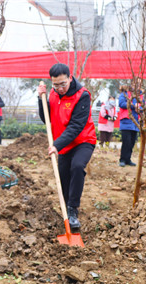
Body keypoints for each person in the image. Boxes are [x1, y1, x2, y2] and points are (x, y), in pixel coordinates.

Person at [37, 63, 97, 229]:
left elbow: (76, 126)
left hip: (83, 140)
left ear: (70, 78)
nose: (60, 88)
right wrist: (40, 98)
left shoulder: (82, 95)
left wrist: (56, 144)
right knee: (63, 176)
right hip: (63, 144)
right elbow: (46, 118)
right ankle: (65, 212)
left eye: (63, 84)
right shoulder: (52, 94)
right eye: (55, 85)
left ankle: (72, 210)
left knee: (77, 167)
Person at [118, 84, 142, 167]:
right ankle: (122, 159)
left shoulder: (140, 96)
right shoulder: (125, 94)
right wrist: (133, 105)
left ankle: (128, 159)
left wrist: (140, 108)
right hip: (126, 121)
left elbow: (143, 106)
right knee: (126, 142)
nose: (138, 86)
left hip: (135, 123)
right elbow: (121, 104)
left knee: (132, 142)